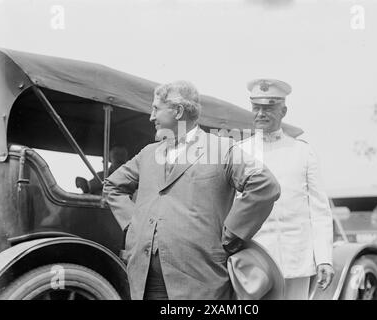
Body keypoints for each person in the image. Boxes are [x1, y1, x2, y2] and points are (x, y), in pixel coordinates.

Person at [103, 80, 281, 300]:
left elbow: (264, 185)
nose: (151, 117)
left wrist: (232, 235)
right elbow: (112, 186)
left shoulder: (221, 149)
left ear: (178, 111)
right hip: (144, 279)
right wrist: (134, 227)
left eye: (156, 109)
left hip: (201, 280)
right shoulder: (148, 154)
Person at [239, 78, 334, 300]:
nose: (261, 113)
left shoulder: (302, 152)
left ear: (283, 110)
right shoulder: (239, 153)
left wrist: (324, 258)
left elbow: (320, 211)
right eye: (256, 107)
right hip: (255, 258)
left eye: (269, 108)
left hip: (296, 258)